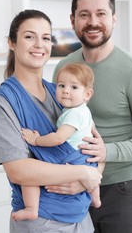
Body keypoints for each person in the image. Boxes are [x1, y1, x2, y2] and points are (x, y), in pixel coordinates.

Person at [51, 0, 132, 233]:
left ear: (114, 19)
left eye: (101, 14)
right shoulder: (64, 68)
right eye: (84, 15)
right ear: (73, 21)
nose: (93, 22)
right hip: (74, 185)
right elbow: (57, 124)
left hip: (124, 190)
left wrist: (107, 151)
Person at [0, 9, 102, 233]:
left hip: (79, 214)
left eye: (46, 38)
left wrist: (90, 176)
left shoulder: (61, 93)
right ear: (12, 42)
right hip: (42, 220)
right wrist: (82, 173)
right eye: (29, 37)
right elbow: (18, 170)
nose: (39, 44)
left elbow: (95, 147)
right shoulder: (3, 102)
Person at [13, 62, 103, 221]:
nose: (66, 91)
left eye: (74, 87)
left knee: (30, 175)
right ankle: (96, 198)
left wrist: (36, 140)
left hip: (73, 158)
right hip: (86, 158)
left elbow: (58, 138)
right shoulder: (83, 111)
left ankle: (31, 208)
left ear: (87, 94)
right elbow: (92, 130)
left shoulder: (73, 114)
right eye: (61, 85)